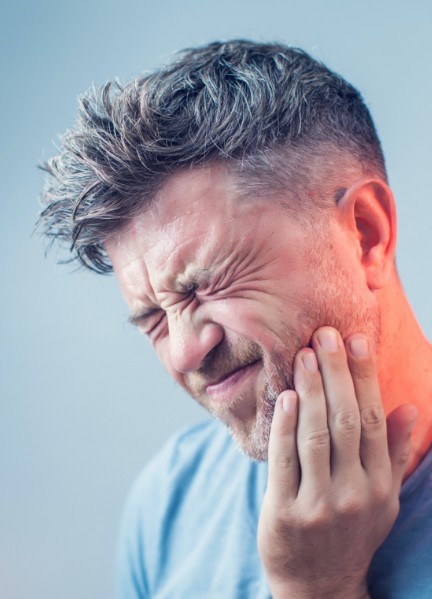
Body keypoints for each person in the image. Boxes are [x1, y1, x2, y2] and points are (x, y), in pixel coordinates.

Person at [37, 40, 432, 598]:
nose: (182, 352)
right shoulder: (168, 505)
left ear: (366, 234)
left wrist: (320, 587)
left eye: (205, 284)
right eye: (152, 317)